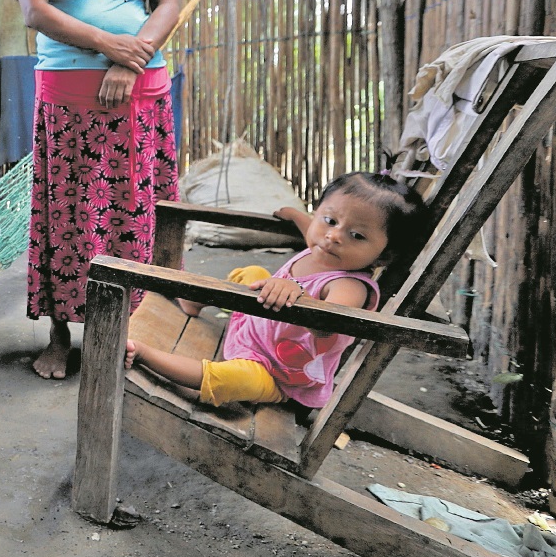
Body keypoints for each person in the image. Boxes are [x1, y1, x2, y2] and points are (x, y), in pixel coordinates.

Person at [13, 0, 182, 379]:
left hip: (138, 99)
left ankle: (131, 334)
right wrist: (108, 43)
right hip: (65, 104)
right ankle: (61, 333)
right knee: (65, 219)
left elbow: (168, 4)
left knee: (130, 216)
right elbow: (35, 12)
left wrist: (127, 62)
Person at [126, 172, 431, 409]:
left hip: (277, 372)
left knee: (234, 380)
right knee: (255, 274)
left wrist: (298, 294)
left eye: (357, 235)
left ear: (384, 256)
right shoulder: (323, 245)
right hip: (255, 325)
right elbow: (315, 232)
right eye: (330, 220)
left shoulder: (349, 286)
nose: (333, 236)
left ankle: (145, 355)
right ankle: (193, 303)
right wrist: (299, 218)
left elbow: (329, 328)